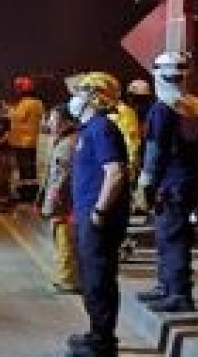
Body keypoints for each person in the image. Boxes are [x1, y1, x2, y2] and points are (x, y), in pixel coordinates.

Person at [133, 51, 198, 313]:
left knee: (170, 238)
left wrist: (145, 184)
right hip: (190, 181)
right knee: (177, 236)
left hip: (169, 184)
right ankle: (167, 286)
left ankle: (177, 293)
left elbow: (155, 151)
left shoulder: (162, 109)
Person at [65, 71, 131, 357]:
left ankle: (102, 342)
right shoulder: (91, 128)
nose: (75, 97)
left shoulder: (102, 128)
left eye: (81, 91)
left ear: (95, 97)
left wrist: (99, 211)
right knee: (92, 278)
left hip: (98, 218)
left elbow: (115, 172)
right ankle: (97, 334)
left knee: (98, 279)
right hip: (89, 215)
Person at [40, 103, 80, 293]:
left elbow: (60, 178)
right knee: (64, 238)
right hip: (67, 201)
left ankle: (69, 279)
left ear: (67, 122)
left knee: (64, 239)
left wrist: (52, 204)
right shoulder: (66, 140)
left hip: (64, 202)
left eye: (53, 119)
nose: (49, 123)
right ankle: (69, 276)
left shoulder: (67, 144)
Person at [9, 76, 46, 204]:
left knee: (25, 170)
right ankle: (32, 193)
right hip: (34, 141)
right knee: (31, 169)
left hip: (23, 142)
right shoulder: (39, 103)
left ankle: (26, 195)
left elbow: (16, 118)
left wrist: (10, 111)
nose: (15, 91)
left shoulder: (25, 103)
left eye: (17, 88)